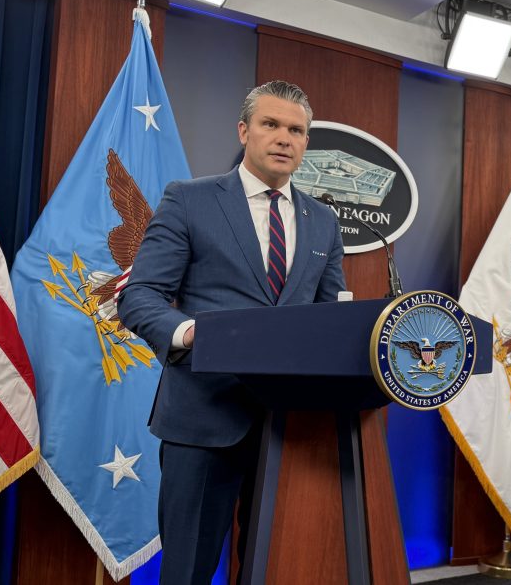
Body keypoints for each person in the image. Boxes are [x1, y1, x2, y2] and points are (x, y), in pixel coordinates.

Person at [118, 80, 345, 584]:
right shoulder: (189, 199)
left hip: (290, 429)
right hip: (203, 419)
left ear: (306, 142)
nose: (284, 138)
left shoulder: (323, 222)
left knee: (276, 567)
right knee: (188, 571)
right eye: (271, 124)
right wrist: (191, 334)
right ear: (244, 131)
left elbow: (329, 316)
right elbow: (139, 296)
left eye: (296, 130)